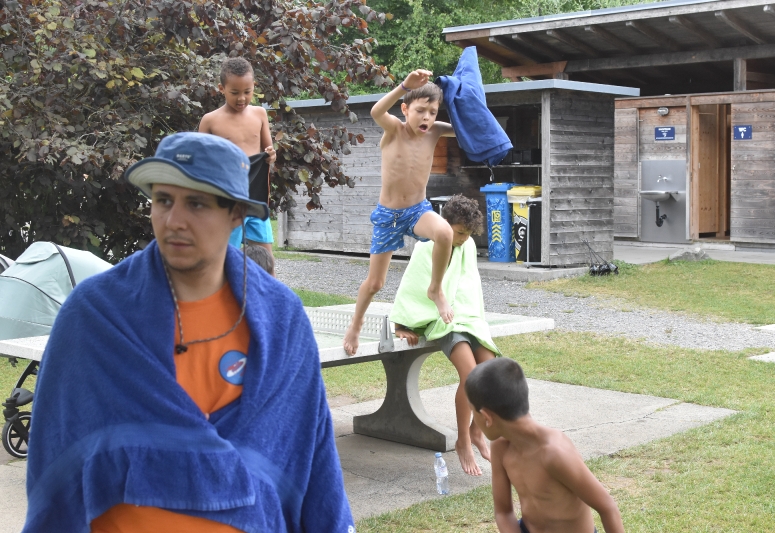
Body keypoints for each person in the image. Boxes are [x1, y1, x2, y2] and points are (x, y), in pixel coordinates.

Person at [22, 132, 354, 533]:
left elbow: (313, 458)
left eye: (196, 203)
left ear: (236, 213)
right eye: (163, 200)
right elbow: (55, 459)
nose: (173, 221)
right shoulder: (94, 315)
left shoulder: (282, 320)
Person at [343, 69, 457, 355]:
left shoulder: (436, 131)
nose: (426, 118)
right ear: (405, 110)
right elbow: (376, 111)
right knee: (375, 283)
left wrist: (467, 100)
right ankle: (356, 325)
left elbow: (468, 127)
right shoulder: (394, 129)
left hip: (418, 211)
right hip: (389, 217)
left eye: (432, 112)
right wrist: (404, 86)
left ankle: (435, 289)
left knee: (445, 232)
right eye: (420, 111)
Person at [389, 194, 497, 476]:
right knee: (470, 376)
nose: (463, 239)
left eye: (468, 233)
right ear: (444, 224)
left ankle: (476, 432)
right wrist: (402, 325)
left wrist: (474, 319)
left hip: (468, 318)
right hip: (443, 322)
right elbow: (412, 287)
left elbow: (469, 285)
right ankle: (463, 441)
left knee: (491, 373)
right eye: (459, 233)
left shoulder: (467, 245)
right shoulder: (427, 247)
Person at [466, 358, 625, 533]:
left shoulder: (555, 453)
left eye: (472, 411)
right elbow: (503, 512)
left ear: (486, 417)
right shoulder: (500, 448)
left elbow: (607, 508)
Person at [199, 56, 277, 256]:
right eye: (234, 93)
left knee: (265, 258)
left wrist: (271, 156)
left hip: (256, 198)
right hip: (227, 201)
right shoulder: (210, 121)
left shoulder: (259, 114)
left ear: (254, 87)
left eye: (247, 92)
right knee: (226, 256)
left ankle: (264, 279)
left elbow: (268, 151)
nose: (241, 98)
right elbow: (201, 163)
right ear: (222, 88)